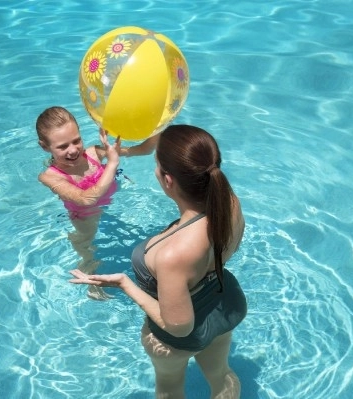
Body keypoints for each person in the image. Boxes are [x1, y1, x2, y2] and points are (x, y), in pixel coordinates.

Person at [69, 125, 247, 398]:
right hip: (223, 305)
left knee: (170, 387)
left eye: (156, 166)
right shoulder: (229, 203)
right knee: (220, 376)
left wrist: (126, 284)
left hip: (178, 342)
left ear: (168, 180)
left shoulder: (173, 254)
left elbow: (179, 326)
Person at [36, 106, 158, 299]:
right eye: (63, 146)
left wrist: (160, 124)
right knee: (87, 248)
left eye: (77, 141)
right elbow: (87, 199)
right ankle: (92, 283)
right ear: (44, 146)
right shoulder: (50, 177)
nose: (73, 150)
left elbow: (143, 149)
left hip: (112, 200)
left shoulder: (94, 153)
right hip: (85, 215)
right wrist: (112, 163)